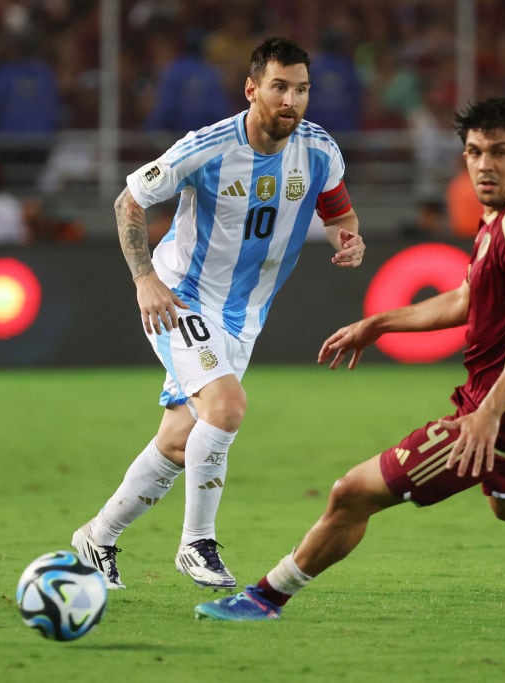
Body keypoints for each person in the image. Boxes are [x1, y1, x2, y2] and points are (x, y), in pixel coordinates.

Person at [194, 97, 505, 621]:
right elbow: (465, 298)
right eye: (474, 151)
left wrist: (488, 415)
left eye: (500, 152)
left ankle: (265, 597)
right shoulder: (504, 216)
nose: (484, 164)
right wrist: (379, 323)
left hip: (502, 408)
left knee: (351, 494)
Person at [71, 37, 366, 591]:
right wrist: (145, 281)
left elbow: (339, 212)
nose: (291, 100)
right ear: (252, 89)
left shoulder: (320, 150)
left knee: (182, 442)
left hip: (245, 315)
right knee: (226, 407)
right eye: (279, 87)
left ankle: (97, 538)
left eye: (301, 89)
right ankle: (196, 543)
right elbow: (128, 202)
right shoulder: (205, 148)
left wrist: (349, 241)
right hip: (182, 296)